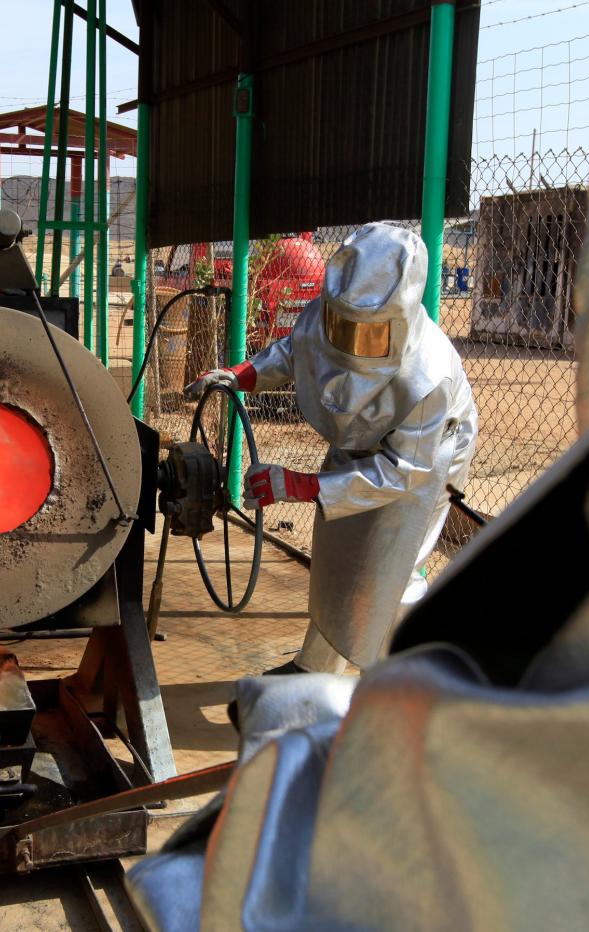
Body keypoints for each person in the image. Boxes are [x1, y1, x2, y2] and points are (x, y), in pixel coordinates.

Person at [188, 222, 478, 674]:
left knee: (393, 566)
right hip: (363, 440)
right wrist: (240, 375)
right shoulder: (329, 318)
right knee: (339, 554)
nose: (347, 342)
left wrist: (302, 485)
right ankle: (315, 669)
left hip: (423, 460)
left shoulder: (430, 379)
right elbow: (295, 350)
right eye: (340, 325)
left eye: (368, 334)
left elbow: (402, 473)